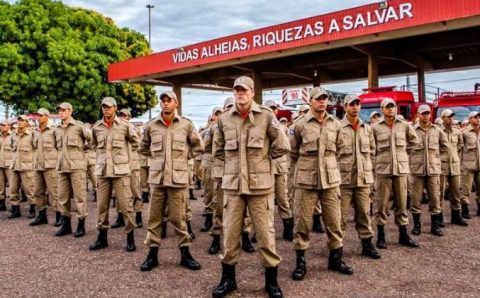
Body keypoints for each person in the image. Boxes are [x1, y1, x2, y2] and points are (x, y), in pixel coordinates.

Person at [212, 76, 287, 298]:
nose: (240, 93)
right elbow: (217, 149)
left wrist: (263, 162)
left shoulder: (265, 116)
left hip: (260, 187)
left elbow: (282, 145)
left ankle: (271, 282)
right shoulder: (224, 119)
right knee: (230, 235)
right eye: (237, 90)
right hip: (234, 186)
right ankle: (228, 280)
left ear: (252, 92)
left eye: (244, 90)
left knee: (265, 235)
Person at [289, 87, 353, 282]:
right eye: (318, 99)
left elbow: (340, 149)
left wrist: (328, 165)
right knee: (302, 222)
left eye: (325, 99)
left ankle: (335, 259)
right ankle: (301, 262)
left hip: (331, 180)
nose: (322, 102)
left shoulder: (335, 124)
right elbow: (292, 152)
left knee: (334, 221)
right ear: (311, 101)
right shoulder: (300, 125)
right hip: (306, 181)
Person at [139, 90, 204, 272]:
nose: (165, 103)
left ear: (176, 103)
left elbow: (199, 146)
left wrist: (184, 157)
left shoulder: (185, 125)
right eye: (163, 101)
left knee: (179, 218)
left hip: (178, 179)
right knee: (154, 219)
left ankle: (185, 255)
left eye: (169, 100)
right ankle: (152, 256)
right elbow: (142, 147)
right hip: (158, 180)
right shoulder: (152, 125)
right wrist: (156, 159)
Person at [372, 98, 419, 249]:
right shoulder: (375, 127)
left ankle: (403, 234)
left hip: (400, 170)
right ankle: (381, 235)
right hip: (383, 170)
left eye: (392, 106)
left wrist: (403, 155)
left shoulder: (404, 125)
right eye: (387, 107)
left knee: (402, 203)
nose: (390, 109)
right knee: (382, 204)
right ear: (382, 109)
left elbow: (414, 141)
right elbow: (371, 148)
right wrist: (376, 162)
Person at [337, 94, 380, 259]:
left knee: (364, 214)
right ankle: (337, 248)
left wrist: (371, 173)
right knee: (340, 217)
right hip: (343, 180)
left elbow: (372, 152)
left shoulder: (366, 128)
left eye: (357, 104)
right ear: (345, 107)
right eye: (351, 104)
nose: (355, 107)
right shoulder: (338, 127)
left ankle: (367, 245)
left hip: (363, 180)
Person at [409, 104, 449, 236]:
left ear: (430, 114)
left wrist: (436, 157)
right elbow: (406, 147)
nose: (425, 116)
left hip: (433, 170)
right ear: (418, 115)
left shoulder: (437, 130)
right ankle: (417, 226)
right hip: (417, 170)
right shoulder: (412, 130)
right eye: (423, 113)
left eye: (427, 113)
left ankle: (435, 226)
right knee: (416, 200)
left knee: (435, 199)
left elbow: (445, 146)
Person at [54, 102, 90, 238]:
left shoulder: (79, 126)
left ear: (70, 111)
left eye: (63, 110)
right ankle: (66, 224)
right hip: (62, 166)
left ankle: (81, 225)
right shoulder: (56, 129)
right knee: (62, 197)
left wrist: (82, 151)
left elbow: (91, 140)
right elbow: (55, 146)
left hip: (77, 167)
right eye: (59, 110)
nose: (61, 112)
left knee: (80, 197)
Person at [265, 100, 294, 242]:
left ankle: (288, 228)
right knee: (265, 202)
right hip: (264, 169)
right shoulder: (261, 125)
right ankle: (262, 231)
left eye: (274, 108)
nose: (272, 110)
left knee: (283, 198)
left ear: (277, 111)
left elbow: (288, 146)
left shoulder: (283, 128)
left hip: (280, 167)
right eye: (269, 108)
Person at [30, 108, 60, 226]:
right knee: (37, 191)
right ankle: (42, 215)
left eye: (41, 115)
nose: (38, 118)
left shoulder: (54, 131)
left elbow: (59, 147)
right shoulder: (36, 131)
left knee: (54, 192)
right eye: (37, 116)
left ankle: (59, 215)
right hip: (38, 165)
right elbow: (34, 147)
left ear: (47, 117)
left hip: (51, 165)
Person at [439, 109, 468, 226]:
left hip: (455, 165)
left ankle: (456, 217)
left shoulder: (457, 131)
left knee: (456, 192)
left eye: (452, 117)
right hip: (442, 165)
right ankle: (439, 217)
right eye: (448, 117)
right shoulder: (438, 131)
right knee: (439, 193)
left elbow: (461, 144)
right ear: (443, 118)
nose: (451, 119)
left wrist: (454, 153)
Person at [8, 115, 36, 219]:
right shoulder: (14, 135)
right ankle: (15, 210)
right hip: (15, 166)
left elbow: (36, 149)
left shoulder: (31, 135)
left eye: (22, 120)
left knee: (29, 190)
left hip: (27, 166)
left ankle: (32, 209)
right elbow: (12, 147)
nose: (20, 122)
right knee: (13, 189)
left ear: (27, 123)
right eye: (19, 120)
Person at [460, 111, 480, 218]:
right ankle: (465, 210)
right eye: (475, 117)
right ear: (470, 119)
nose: (477, 119)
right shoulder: (464, 132)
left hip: (479, 164)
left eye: (478, 117)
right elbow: (459, 148)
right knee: (466, 189)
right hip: (468, 165)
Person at [0, 120, 13, 211]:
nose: (2, 127)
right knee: (0, 185)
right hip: (0, 163)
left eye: (4, 125)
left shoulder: (13, 136)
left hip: (9, 165)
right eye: (1, 125)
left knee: (13, 186)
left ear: (9, 126)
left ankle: (14, 206)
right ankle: (2, 204)